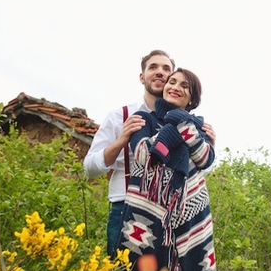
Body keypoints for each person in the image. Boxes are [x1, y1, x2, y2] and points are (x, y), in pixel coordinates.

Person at [113, 68, 217, 271]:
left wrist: (183, 124)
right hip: (147, 221)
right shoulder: (144, 120)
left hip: (189, 218)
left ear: (192, 98)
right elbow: (144, 155)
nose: (176, 87)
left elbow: (205, 158)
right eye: (172, 82)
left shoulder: (198, 126)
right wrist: (176, 127)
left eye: (185, 86)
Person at [83, 50, 216, 259]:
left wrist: (209, 147)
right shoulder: (121, 116)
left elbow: (200, 172)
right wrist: (121, 141)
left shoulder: (189, 125)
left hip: (172, 217)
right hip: (126, 208)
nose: (159, 72)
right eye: (153, 67)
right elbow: (89, 168)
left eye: (166, 70)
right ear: (142, 76)